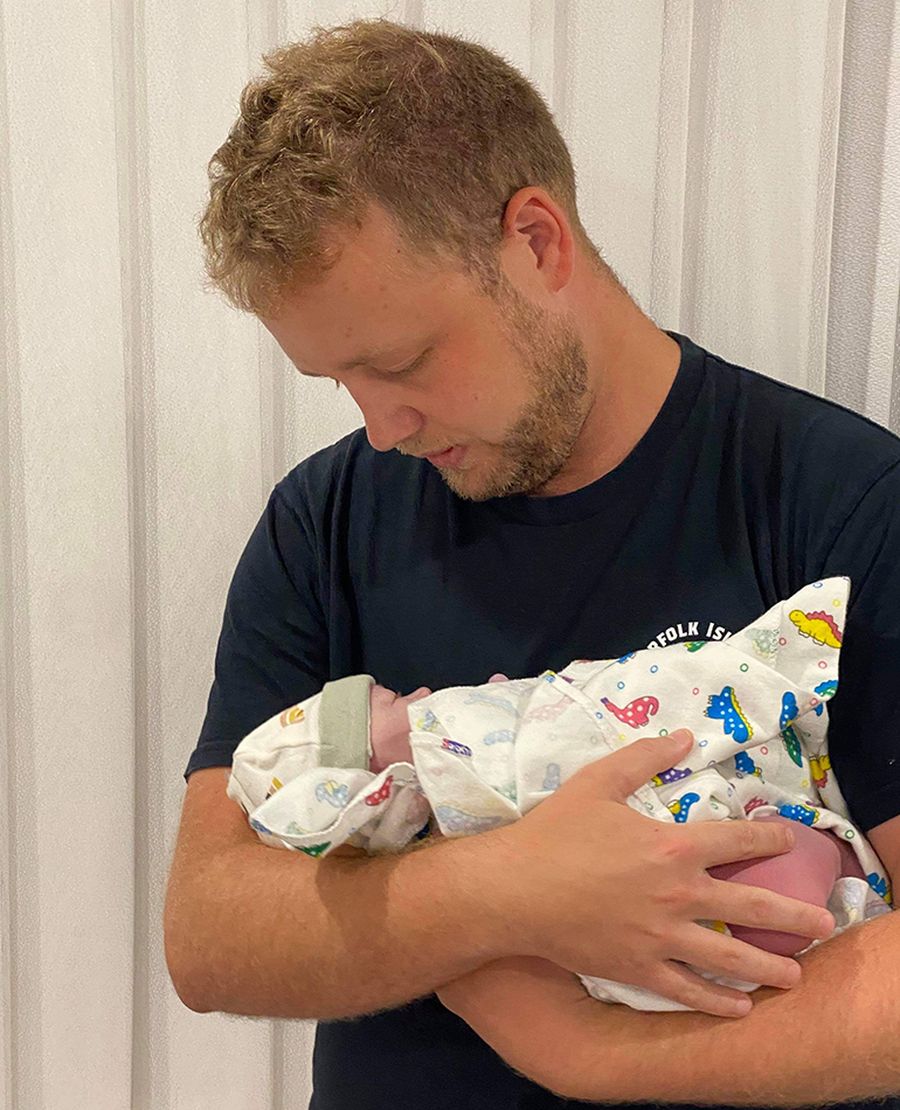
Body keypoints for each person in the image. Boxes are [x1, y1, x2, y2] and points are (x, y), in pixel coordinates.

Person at [163, 15, 900, 1110]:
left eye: (403, 360)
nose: (382, 427)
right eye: (340, 383)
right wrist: (508, 892)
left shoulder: (841, 501)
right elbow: (210, 933)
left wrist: (591, 1055)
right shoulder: (324, 519)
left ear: (538, 243)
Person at [224, 576, 887, 1014]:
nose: (423, 695)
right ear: (377, 784)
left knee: (759, 869)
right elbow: (210, 959)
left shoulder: (835, 486)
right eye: (398, 704)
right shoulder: (441, 744)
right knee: (756, 876)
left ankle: (805, 879)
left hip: (671, 848)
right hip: (668, 866)